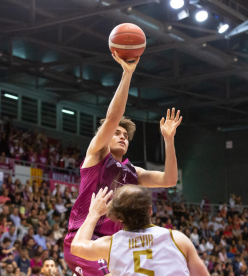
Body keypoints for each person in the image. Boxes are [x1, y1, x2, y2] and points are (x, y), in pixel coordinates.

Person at [64, 52, 182, 276]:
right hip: (84, 239)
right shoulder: (97, 155)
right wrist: (127, 74)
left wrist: (168, 139)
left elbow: (169, 179)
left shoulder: (133, 172)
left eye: (126, 136)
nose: (122, 137)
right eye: (117, 134)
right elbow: (112, 119)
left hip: (116, 244)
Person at [71, 186, 209, 276]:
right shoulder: (178, 239)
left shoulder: (111, 244)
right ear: (150, 210)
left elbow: (76, 247)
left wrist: (93, 214)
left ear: (119, 217)